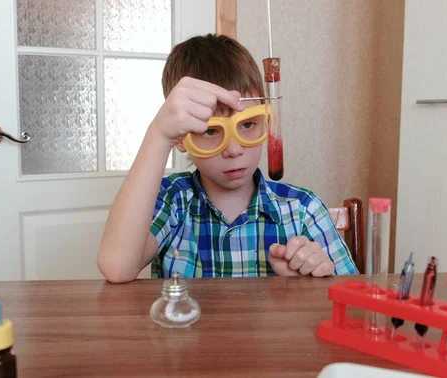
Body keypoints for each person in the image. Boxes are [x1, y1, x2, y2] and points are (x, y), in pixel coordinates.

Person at [97, 34, 358, 282]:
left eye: (247, 125)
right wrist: (158, 134)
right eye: (211, 131)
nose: (233, 149)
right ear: (180, 138)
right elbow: (117, 267)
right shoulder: (172, 202)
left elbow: (353, 300)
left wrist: (313, 281)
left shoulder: (303, 210)